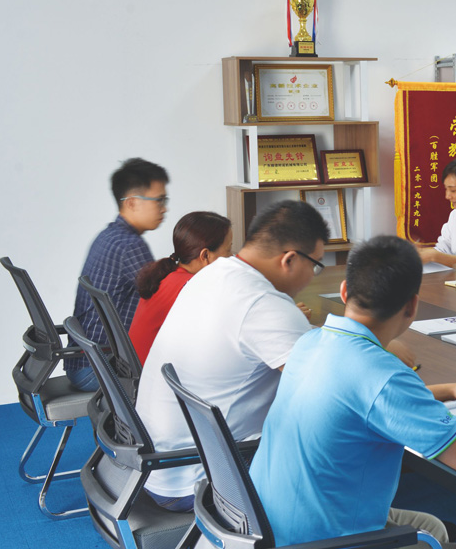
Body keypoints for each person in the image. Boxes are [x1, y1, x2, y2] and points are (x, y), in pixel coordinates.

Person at [249, 235, 456, 547]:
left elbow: (360, 401)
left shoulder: (310, 342)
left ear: (344, 291)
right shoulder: (383, 375)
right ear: (412, 306)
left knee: (432, 527)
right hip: (323, 540)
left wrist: (449, 391)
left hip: (267, 523)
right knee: (435, 536)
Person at [134, 200, 329, 512]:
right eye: (315, 265)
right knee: (333, 432)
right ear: (290, 259)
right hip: (202, 477)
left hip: (159, 464)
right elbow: (330, 391)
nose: (312, 277)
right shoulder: (263, 303)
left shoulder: (212, 274)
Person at [67, 158, 170, 391]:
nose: (164, 208)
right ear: (132, 203)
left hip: (84, 361)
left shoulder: (109, 236)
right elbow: (165, 303)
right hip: (101, 367)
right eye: (159, 200)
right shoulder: (130, 245)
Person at [128, 211, 232, 366]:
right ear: (205, 256)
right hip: (153, 374)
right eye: (228, 250)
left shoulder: (169, 275)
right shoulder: (192, 287)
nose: (232, 256)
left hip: (137, 368)